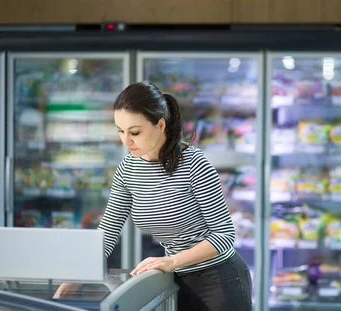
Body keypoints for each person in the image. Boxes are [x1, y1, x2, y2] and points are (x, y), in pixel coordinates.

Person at [55, 81, 252, 311]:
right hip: (174, 279)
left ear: (160, 125)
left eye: (135, 132)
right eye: (120, 131)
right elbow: (107, 232)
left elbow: (224, 235)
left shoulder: (194, 164)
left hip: (219, 280)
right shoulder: (128, 169)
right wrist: (76, 277)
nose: (126, 141)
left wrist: (172, 261)